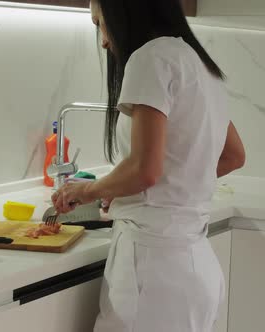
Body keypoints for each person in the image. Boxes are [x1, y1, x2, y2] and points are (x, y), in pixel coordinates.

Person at [51, 0, 246, 331]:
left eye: (100, 22)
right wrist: (133, 189)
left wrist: (87, 190)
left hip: (153, 271)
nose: (102, 39)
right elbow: (232, 156)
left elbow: (144, 169)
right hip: (195, 266)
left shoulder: (150, 58)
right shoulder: (198, 62)